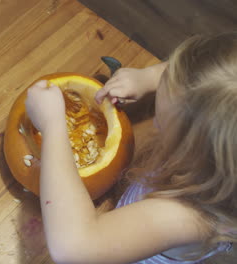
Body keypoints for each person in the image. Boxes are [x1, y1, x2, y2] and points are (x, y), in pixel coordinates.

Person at [24, 32, 237, 264]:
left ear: (199, 157)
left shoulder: (188, 216)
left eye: (161, 123)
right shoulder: (216, 154)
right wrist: (149, 77)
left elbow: (75, 247)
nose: (154, 123)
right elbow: (207, 77)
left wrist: (53, 125)